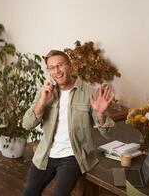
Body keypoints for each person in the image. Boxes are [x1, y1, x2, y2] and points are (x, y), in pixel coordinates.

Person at [23, 50, 115, 196]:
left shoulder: (90, 93)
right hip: (46, 153)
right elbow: (27, 124)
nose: (56, 71)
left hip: (73, 156)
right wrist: (42, 99)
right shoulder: (46, 92)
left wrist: (100, 114)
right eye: (52, 67)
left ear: (69, 65)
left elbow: (108, 134)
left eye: (60, 65)